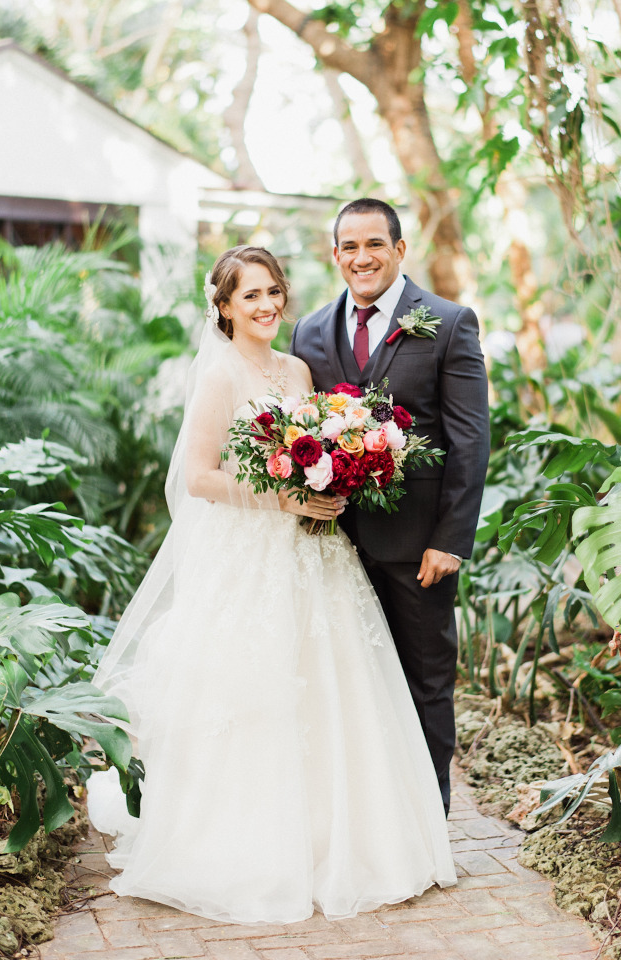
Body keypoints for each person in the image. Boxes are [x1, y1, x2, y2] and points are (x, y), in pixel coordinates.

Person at [86, 245, 456, 925]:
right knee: (251, 697)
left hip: (313, 555)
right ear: (224, 307)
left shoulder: (297, 368)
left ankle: (337, 842)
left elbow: (310, 446)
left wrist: (336, 482)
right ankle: (247, 847)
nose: (266, 306)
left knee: (330, 689)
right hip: (248, 556)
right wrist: (283, 502)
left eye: (273, 292)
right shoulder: (219, 377)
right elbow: (198, 477)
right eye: (250, 296)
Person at [290, 200, 490, 815]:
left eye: (374, 244)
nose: (361, 258)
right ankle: (368, 820)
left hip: (417, 547)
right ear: (335, 255)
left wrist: (451, 539)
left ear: (400, 250)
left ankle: (428, 820)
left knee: (426, 682)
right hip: (334, 546)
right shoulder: (310, 332)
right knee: (350, 685)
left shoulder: (449, 323)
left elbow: (470, 438)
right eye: (348, 247)